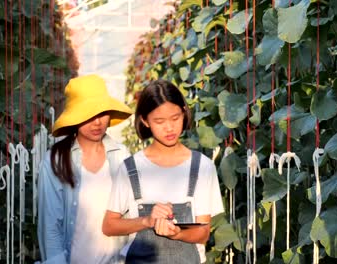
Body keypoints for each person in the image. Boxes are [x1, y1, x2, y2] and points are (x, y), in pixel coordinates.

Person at [102, 79, 224, 264]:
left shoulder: (202, 167)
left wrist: (177, 233)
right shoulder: (130, 168)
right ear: (145, 120)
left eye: (175, 118)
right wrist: (147, 221)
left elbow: (203, 233)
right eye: (159, 121)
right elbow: (109, 225)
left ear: (184, 112)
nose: (169, 127)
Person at [37, 74, 133, 264]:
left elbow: (133, 216)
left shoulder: (122, 156)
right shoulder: (55, 160)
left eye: (102, 112)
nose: (97, 122)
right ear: (74, 118)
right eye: (88, 114)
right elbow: (50, 226)